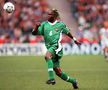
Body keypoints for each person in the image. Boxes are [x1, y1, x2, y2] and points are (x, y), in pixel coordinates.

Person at [32, 9, 81, 89]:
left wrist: (74, 39)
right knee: (58, 72)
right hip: (50, 48)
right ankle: (73, 81)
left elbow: (67, 32)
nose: (48, 15)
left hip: (57, 47)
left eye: (50, 14)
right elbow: (34, 33)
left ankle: (51, 79)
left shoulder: (60, 24)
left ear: (54, 16)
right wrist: (36, 27)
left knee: (47, 56)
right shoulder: (44, 24)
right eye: (47, 14)